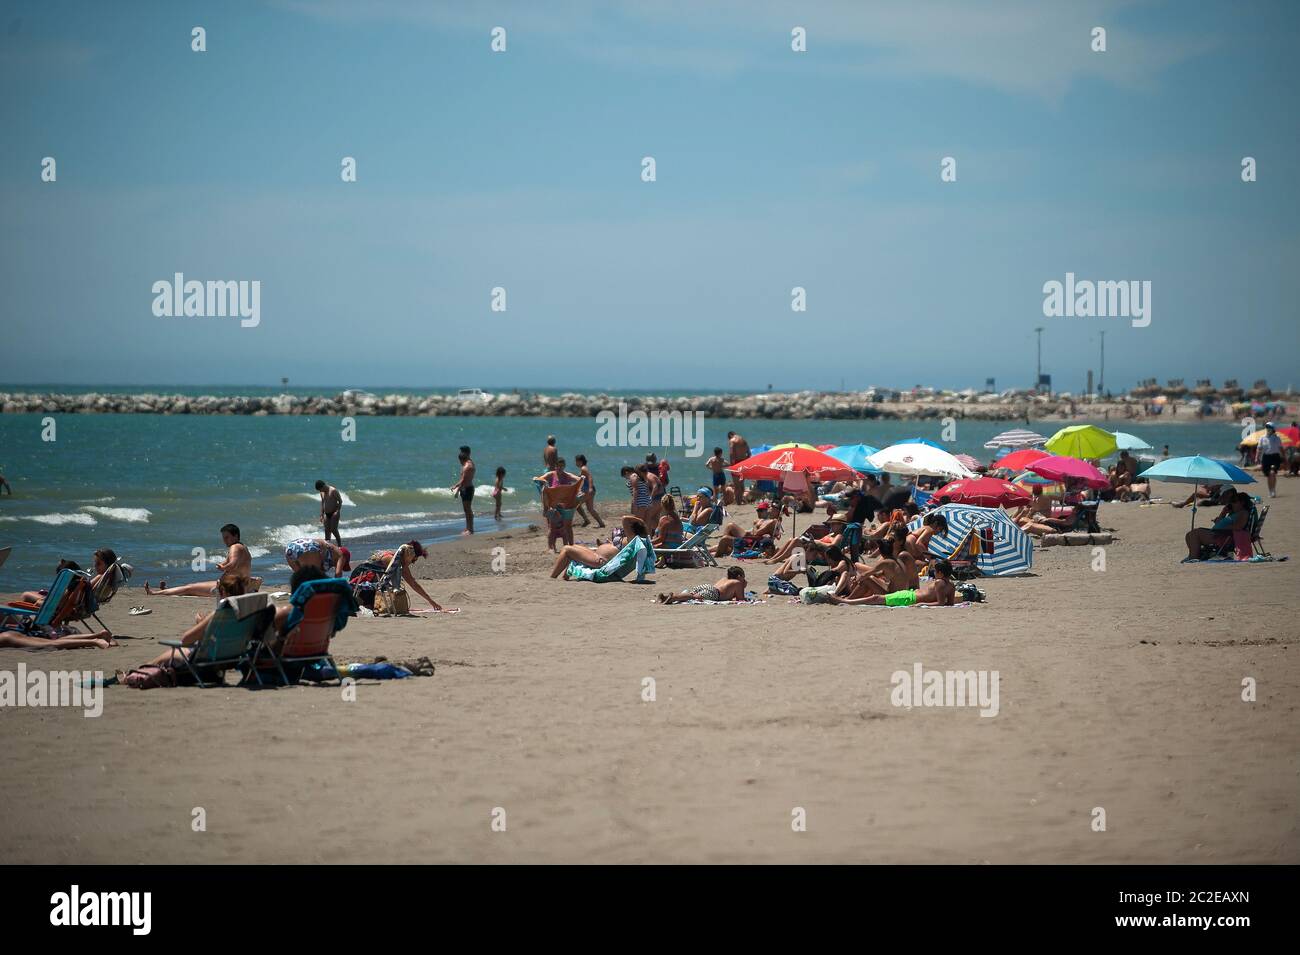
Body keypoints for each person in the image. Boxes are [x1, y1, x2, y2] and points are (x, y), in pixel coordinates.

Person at [147, 525, 255, 596]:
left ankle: (154, 593)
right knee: (193, 586)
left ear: (235, 536)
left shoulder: (234, 547)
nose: (224, 540)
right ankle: (168, 590)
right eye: (223, 537)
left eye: (226, 537)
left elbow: (232, 564)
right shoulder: (243, 547)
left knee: (189, 588)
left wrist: (223, 568)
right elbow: (234, 562)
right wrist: (223, 564)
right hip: (239, 587)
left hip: (227, 590)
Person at [828, 559, 956, 607]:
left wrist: (921, 603)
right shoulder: (951, 586)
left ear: (941, 573)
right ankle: (846, 600)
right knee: (876, 598)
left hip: (909, 598)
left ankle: (844, 601)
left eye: (936, 571)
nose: (934, 574)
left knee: (876, 598)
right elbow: (949, 603)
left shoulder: (940, 583)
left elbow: (940, 603)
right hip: (910, 595)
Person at [550, 516, 648, 578]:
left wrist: (641, 521)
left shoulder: (633, 539)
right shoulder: (633, 540)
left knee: (567, 549)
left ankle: (553, 577)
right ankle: (565, 576)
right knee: (574, 546)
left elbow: (625, 518)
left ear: (632, 530)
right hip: (598, 556)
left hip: (600, 561)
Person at [378, 539, 445, 610]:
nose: (413, 562)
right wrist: (431, 601)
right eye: (413, 560)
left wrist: (431, 601)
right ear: (409, 555)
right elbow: (413, 584)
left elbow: (413, 583)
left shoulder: (397, 560)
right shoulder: (394, 561)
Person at [1184, 491, 1249, 560]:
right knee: (1189, 535)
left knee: (1195, 534)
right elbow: (1218, 522)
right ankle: (1193, 555)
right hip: (1218, 533)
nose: (1232, 503)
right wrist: (1223, 512)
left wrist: (1224, 528)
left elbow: (1239, 527)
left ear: (1242, 502)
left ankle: (1194, 557)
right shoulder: (1233, 513)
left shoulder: (1243, 513)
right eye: (1231, 501)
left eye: (1234, 501)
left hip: (1224, 537)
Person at [658, 566, 747, 604]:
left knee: (690, 595)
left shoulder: (725, 579)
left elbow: (730, 594)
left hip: (708, 587)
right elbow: (741, 599)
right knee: (692, 597)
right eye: (743, 577)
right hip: (714, 593)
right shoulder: (738, 582)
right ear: (739, 576)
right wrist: (743, 585)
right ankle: (672, 598)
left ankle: (666, 597)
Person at [450, 446, 476, 534]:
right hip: (465, 488)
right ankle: (468, 527)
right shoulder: (468, 463)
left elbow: (463, 480)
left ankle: (470, 529)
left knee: (468, 509)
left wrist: (456, 487)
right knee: (466, 509)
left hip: (468, 489)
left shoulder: (468, 466)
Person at [574, 455, 605, 528]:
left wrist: (590, 488)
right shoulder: (583, 468)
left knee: (576, 504)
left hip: (589, 491)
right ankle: (601, 523)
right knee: (590, 509)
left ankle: (586, 520)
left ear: (580, 461)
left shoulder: (583, 468)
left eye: (576, 461)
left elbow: (590, 477)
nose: (575, 463)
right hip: (590, 491)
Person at [1257, 422, 1283, 498]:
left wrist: (1284, 458)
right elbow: (1259, 448)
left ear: (1273, 429)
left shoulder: (1277, 438)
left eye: (1269, 427)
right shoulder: (1262, 438)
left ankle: (1273, 490)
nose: (1268, 429)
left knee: (1272, 473)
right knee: (1268, 475)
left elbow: (1281, 448)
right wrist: (1256, 457)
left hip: (1275, 457)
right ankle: (1270, 490)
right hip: (1266, 458)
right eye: (1267, 427)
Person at [315, 479, 343, 545]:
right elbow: (323, 502)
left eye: (320, 489)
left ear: (323, 486)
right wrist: (321, 514)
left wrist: (337, 511)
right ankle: (327, 545)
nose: (320, 491)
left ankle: (339, 545)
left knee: (333, 529)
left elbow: (340, 501)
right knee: (327, 530)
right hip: (326, 513)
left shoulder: (333, 491)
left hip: (334, 513)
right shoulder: (322, 492)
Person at [727, 431, 750, 505]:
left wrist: (732, 466)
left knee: (736, 485)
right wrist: (745, 460)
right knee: (741, 483)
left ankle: (738, 502)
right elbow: (749, 453)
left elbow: (731, 454)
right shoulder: (743, 440)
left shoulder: (732, 440)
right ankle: (740, 500)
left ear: (730, 436)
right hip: (744, 462)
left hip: (736, 462)